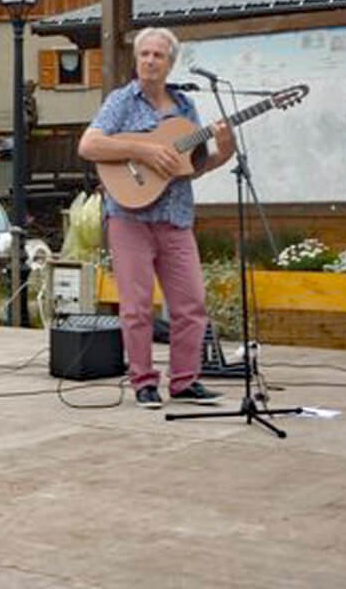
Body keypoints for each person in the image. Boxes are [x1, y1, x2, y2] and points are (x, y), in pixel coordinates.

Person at [78, 27, 235, 409]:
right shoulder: (121, 101)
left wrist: (225, 150)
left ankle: (184, 381)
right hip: (129, 216)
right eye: (144, 54)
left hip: (175, 216)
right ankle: (144, 382)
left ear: (170, 62)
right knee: (135, 306)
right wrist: (144, 150)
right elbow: (89, 144)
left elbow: (192, 167)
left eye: (157, 56)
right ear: (137, 59)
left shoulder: (184, 108)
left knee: (191, 304)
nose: (149, 61)